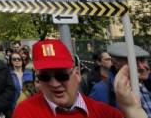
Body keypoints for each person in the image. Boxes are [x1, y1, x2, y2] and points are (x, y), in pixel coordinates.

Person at [12, 39, 147, 118]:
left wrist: (132, 110)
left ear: (76, 74)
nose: (54, 83)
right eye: (45, 77)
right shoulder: (25, 112)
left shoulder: (104, 113)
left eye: (61, 75)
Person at [90, 43, 151, 117]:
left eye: (143, 61)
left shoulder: (147, 84)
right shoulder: (101, 91)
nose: (142, 67)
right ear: (116, 64)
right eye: (135, 63)